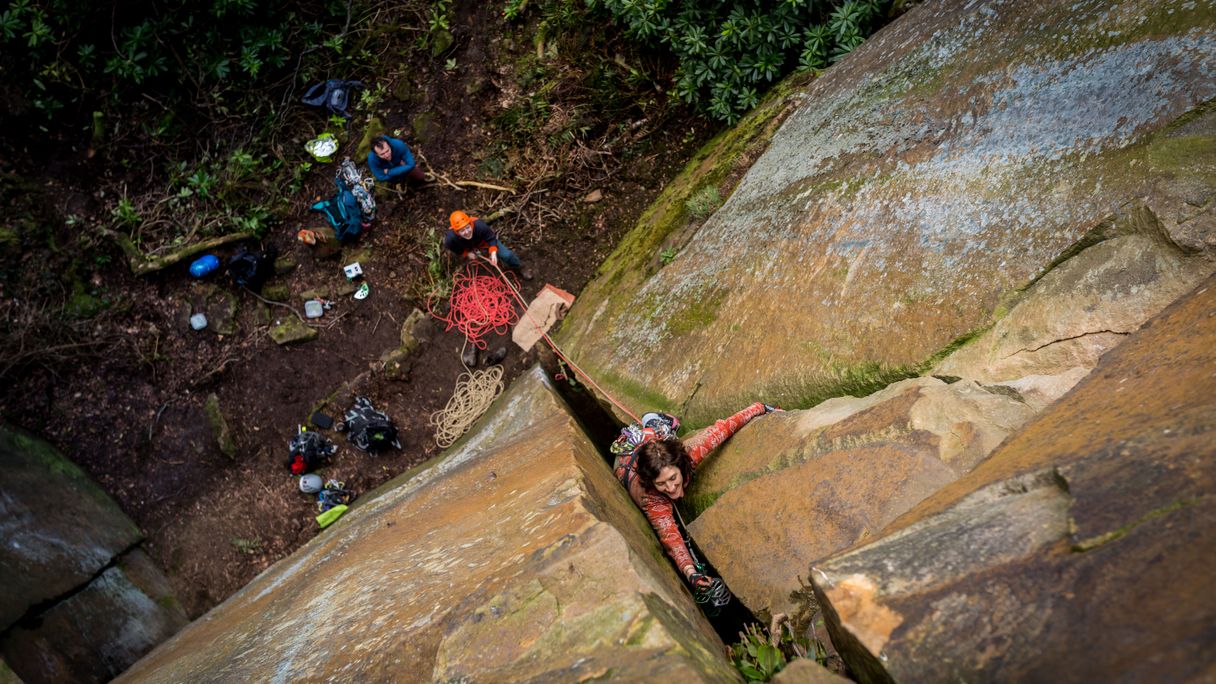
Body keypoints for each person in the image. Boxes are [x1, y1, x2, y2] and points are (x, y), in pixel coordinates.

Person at [613, 403, 777, 592]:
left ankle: (654, 423)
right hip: (625, 457)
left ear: (679, 466)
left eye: (673, 478)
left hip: (649, 442)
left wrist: (761, 408)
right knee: (653, 437)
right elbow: (671, 538)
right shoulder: (650, 497)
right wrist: (691, 573)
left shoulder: (689, 454)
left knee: (666, 431)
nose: (670, 487)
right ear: (652, 483)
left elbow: (723, 428)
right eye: (661, 484)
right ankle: (652, 427)